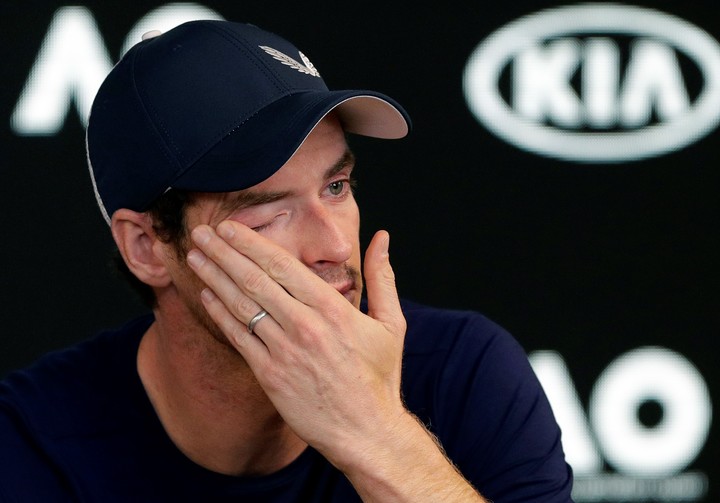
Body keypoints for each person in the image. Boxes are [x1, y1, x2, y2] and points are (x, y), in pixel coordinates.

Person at [0, 20, 573, 502]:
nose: (335, 248)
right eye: (267, 213)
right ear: (148, 248)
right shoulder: (31, 442)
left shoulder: (462, 372)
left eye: (336, 187)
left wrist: (378, 437)